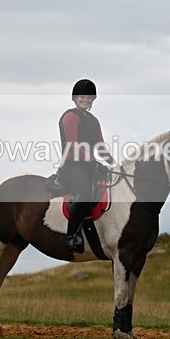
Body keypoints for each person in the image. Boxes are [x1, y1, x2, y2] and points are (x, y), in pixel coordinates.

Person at [58, 79, 114, 253]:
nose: (86, 100)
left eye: (89, 98)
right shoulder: (70, 117)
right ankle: (71, 236)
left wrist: (113, 162)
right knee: (83, 193)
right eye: (82, 97)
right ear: (75, 98)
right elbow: (73, 144)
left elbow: (100, 144)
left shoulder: (93, 120)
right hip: (72, 165)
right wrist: (89, 157)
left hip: (90, 165)